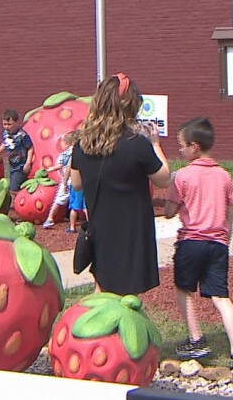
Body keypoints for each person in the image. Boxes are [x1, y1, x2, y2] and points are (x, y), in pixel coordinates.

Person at [162, 117, 233, 375]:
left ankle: (196, 339)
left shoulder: (183, 176)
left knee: (184, 288)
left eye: (181, 146)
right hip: (218, 244)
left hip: (191, 242)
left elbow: (168, 212)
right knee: (221, 296)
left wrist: (173, 201)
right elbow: (230, 213)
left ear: (194, 146)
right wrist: (225, 239)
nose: (180, 150)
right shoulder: (225, 176)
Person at [68, 73, 172, 295]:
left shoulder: (82, 144)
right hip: (131, 231)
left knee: (102, 286)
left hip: (100, 228)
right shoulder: (137, 144)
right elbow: (164, 179)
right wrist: (155, 144)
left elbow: (76, 184)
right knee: (127, 295)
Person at [0, 109, 34, 198]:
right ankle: (23, 196)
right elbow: (5, 144)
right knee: (17, 184)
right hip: (12, 164)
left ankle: (21, 200)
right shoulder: (6, 133)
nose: (6, 127)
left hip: (21, 164)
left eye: (9, 124)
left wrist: (28, 163)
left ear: (16, 123)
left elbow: (30, 148)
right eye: (4, 124)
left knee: (14, 188)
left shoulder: (22, 135)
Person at [42, 131, 77, 230]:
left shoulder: (66, 153)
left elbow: (61, 165)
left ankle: (50, 219)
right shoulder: (80, 152)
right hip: (77, 179)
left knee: (59, 201)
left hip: (67, 180)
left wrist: (51, 169)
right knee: (80, 202)